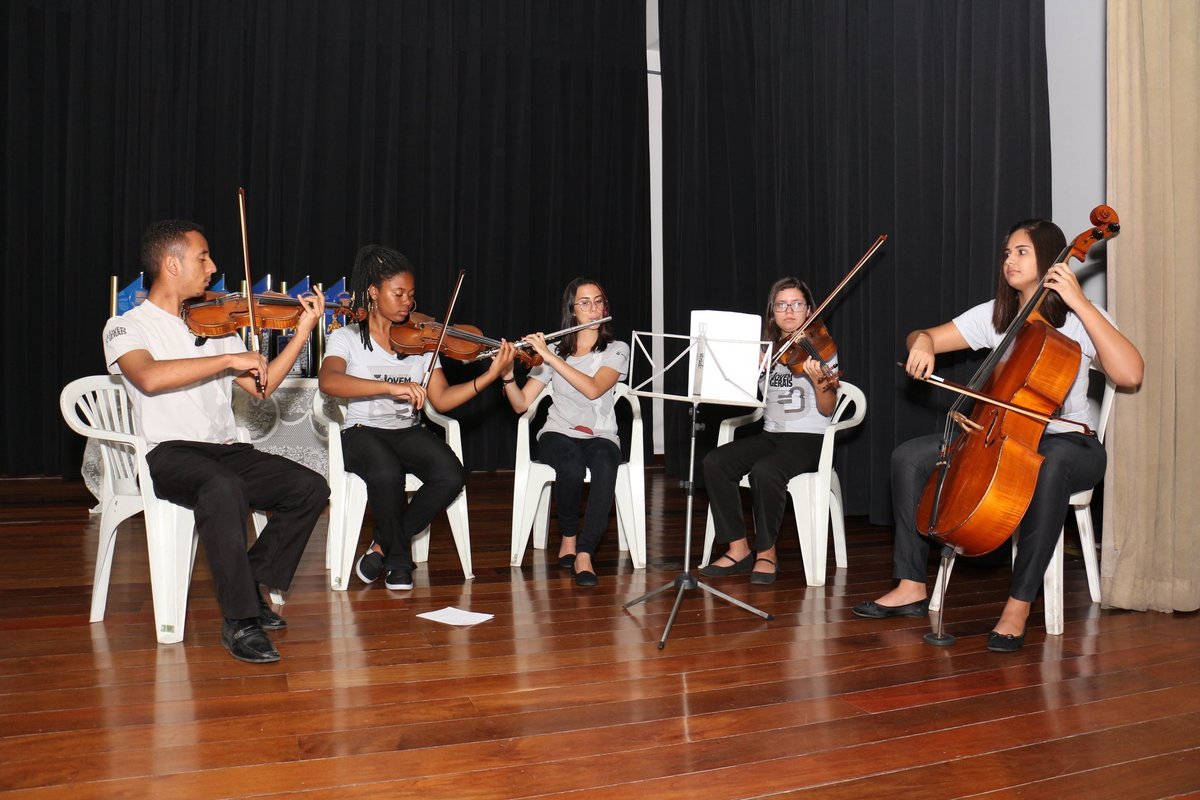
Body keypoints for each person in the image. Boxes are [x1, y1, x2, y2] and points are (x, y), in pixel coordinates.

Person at [852, 218, 1144, 651]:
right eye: (1007, 253)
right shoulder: (997, 315)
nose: (1010, 260)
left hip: (1071, 441)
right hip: (1001, 434)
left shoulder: (1081, 318)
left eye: (1022, 252)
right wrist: (922, 344)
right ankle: (911, 585)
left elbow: (1130, 374)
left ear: (1050, 258)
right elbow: (924, 335)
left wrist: (1081, 303)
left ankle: (1019, 604)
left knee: (1048, 464)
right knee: (909, 456)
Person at [102, 220, 329, 664]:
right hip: (169, 453)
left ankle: (246, 581)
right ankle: (240, 620)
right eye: (202, 257)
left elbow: (262, 387)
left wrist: (303, 330)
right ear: (172, 264)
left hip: (226, 450)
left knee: (309, 487)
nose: (212, 267)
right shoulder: (126, 327)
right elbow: (148, 377)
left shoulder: (217, 325)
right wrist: (227, 359)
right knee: (223, 487)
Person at [317, 245, 515, 591]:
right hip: (361, 431)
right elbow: (329, 381)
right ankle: (398, 560)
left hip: (406, 430)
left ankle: (381, 546)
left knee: (451, 474)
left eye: (411, 294)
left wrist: (489, 376)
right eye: (398, 294)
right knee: (386, 471)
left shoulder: (422, 342)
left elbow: (442, 399)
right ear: (373, 292)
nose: (407, 302)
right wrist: (389, 388)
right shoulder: (346, 338)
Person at [698, 278, 839, 585]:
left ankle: (766, 552)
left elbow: (828, 408)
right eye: (781, 305)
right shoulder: (766, 350)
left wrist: (819, 382)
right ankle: (738, 549)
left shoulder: (821, 349)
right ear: (772, 313)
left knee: (766, 471)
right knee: (715, 462)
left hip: (809, 439)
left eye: (797, 304)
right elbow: (745, 398)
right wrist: (747, 369)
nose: (789, 311)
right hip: (771, 434)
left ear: (809, 310)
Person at [500, 277, 629, 587]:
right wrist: (506, 376)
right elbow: (521, 404)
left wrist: (551, 357)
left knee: (605, 463)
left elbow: (594, 389)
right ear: (572, 310)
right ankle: (568, 537)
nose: (593, 308)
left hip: (600, 434)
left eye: (598, 301)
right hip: (558, 432)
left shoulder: (617, 349)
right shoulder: (555, 350)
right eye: (584, 303)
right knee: (570, 465)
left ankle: (585, 552)